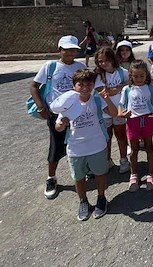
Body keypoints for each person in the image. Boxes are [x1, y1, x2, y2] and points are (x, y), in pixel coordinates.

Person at [51, 69, 117, 221]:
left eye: (89, 84)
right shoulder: (68, 102)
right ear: (74, 85)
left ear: (93, 85)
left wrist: (107, 99)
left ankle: (101, 198)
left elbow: (113, 113)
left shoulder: (97, 100)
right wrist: (62, 123)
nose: (85, 88)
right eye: (81, 85)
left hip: (97, 144)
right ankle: (83, 201)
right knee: (79, 177)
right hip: (75, 148)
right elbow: (58, 127)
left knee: (100, 173)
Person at [30, 35, 86, 200]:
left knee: (80, 141)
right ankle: (51, 177)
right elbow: (34, 86)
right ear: (59, 50)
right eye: (66, 49)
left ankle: (84, 170)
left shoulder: (80, 66)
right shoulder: (51, 66)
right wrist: (41, 107)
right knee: (56, 146)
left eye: (73, 49)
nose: (70, 52)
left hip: (77, 112)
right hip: (56, 114)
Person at [119, 60, 153, 192]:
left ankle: (150, 173)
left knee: (149, 147)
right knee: (134, 149)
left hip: (147, 120)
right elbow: (121, 106)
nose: (139, 79)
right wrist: (122, 114)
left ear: (146, 75)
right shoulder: (127, 89)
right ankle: (134, 175)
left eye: (142, 76)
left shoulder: (151, 88)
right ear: (131, 76)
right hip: (133, 122)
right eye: (135, 76)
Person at [94, 47, 130, 174]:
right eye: (100, 61)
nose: (104, 64)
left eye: (106, 60)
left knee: (121, 135)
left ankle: (124, 159)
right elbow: (102, 92)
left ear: (112, 59)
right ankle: (107, 160)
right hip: (105, 111)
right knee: (107, 137)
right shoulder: (99, 76)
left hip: (120, 109)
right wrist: (118, 89)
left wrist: (117, 89)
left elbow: (130, 83)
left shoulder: (122, 72)